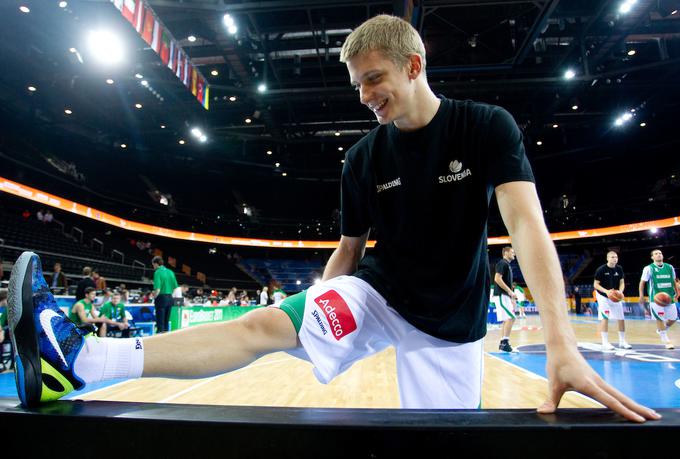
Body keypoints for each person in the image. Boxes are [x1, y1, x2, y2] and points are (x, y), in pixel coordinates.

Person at [5, 16, 658, 422]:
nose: (367, 96)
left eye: (375, 79)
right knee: (264, 321)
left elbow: (527, 227)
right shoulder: (362, 157)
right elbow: (348, 253)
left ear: (414, 63)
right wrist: (310, 310)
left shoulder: (486, 127)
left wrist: (562, 341)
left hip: (453, 323)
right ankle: (82, 358)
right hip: (375, 294)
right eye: (357, 87)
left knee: (450, 438)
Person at [639, 249, 679, 349]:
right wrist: (641, 295)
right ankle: (666, 340)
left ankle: (662, 330)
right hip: (656, 298)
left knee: (673, 318)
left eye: (660, 253)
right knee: (660, 318)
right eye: (656, 254)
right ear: (652, 257)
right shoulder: (648, 268)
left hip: (669, 297)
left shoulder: (669, 267)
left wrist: (677, 291)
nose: (658, 255)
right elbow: (642, 282)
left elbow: (673, 280)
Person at [593, 251, 631, 351]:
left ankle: (622, 341)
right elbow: (596, 285)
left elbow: (622, 282)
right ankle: (605, 342)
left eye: (616, 257)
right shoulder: (601, 269)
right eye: (612, 257)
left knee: (621, 318)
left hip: (615, 295)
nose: (615, 259)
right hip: (603, 296)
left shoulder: (619, 268)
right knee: (605, 318)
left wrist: (620, 292)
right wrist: (607, 292)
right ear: (607, 258)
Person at [493, 247, 518, 352]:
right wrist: (509, 291)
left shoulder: (507, 265)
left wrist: (511, 296)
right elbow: (497, 278)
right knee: (511, 318)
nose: (514, 254)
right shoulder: (502, 263)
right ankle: (505, 342)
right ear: (506, 253)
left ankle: (503, 344)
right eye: (512, 252)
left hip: (505, 296)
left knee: (506, 319)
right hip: (501, 295)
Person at [152, 256, 178, 333]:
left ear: (156, 264)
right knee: (166, 319)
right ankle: (166, 336)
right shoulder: (170, 272)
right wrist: (170, 296)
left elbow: (158, 289)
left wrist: (154, 297)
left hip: (161, 297)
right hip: (170, 297)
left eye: (153, 265)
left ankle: (159, 336)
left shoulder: (157, 272)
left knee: (160, 320)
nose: (153, 266)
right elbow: (175, 288)